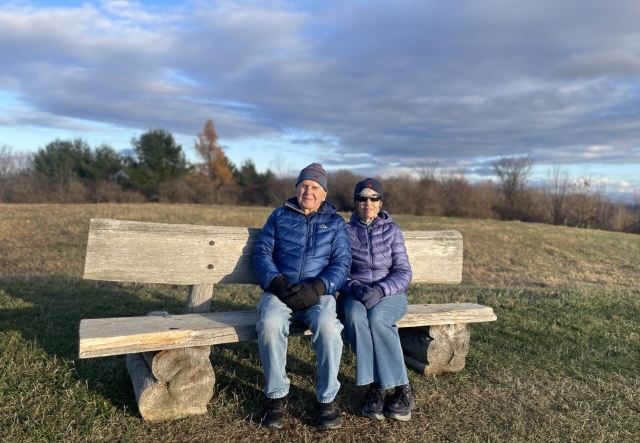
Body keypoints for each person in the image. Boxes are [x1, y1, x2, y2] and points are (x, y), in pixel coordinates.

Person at [253, 162, 352, 430]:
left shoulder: (334, 223)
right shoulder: (279, 216)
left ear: (324, 194)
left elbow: (342, 262)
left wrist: (319, 287)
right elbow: (262, 253)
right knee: (270, 324)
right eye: (304, 185)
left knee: (329, 328)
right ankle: (276, 396)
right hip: (280, 290)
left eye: (315, 187)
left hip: (318, 293)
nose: (308, 191)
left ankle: (326, 398)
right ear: (297, 188)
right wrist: (278, 283)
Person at [338, 178, 415, 421]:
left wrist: (381, 291)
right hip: (355, 293)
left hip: (389, 294)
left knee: (379, 319)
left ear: (380, 202)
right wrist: (358, 289)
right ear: (356, 202)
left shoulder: (393, 231)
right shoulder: (345, 231)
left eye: (373, 197)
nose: (368, 202)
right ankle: (376, 387)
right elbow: (340, 271)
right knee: (355, 316)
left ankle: (403, 387)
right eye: (362, 197)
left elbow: (404, 272)